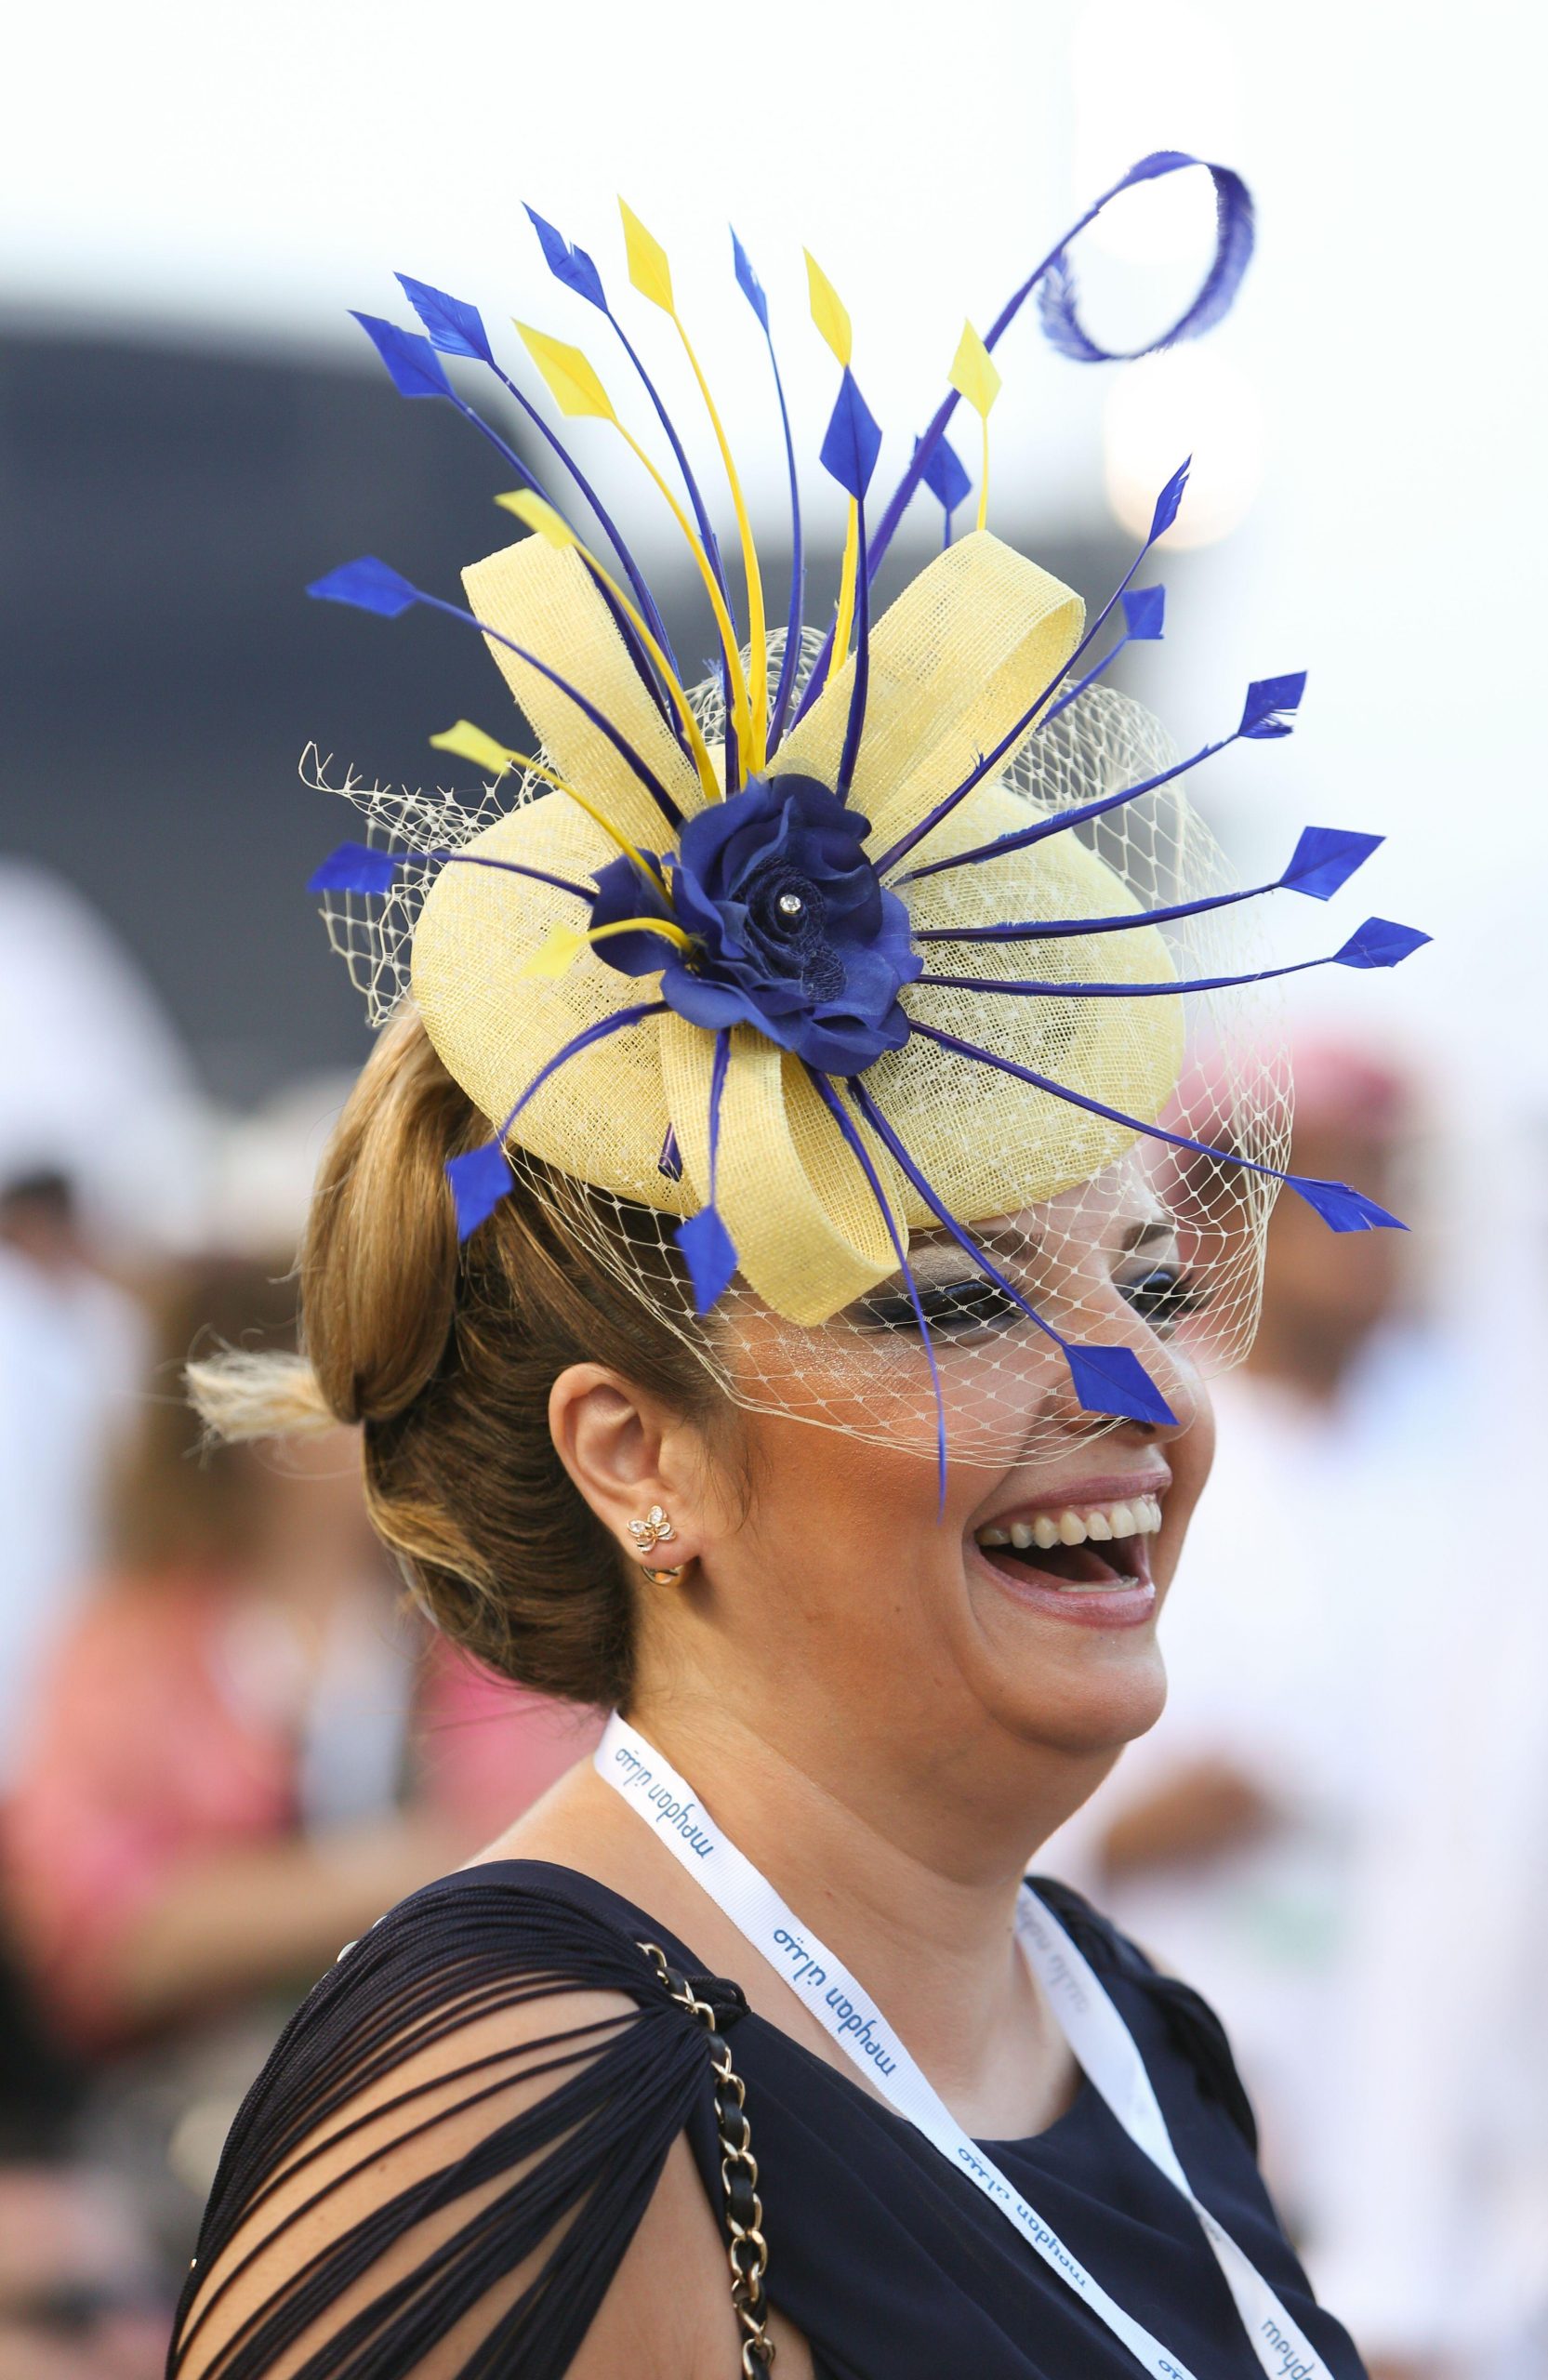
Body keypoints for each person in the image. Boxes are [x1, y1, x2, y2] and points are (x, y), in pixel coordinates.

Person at [165, 165, 1423, 2376]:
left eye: (1138, 1275)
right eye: (945, 1298)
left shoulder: (1125, 2031)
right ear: (637, 1456)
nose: (1132, 1390)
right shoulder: (530, 2097)